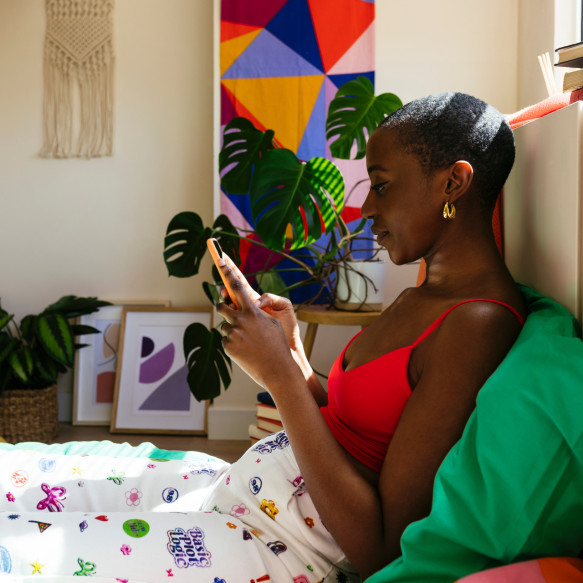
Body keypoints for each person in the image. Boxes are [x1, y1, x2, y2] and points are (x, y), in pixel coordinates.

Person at [0, 92, 526, 582]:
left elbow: (382, 549)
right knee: (25, 491)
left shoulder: (476, 323)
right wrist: (292, 355)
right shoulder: (422, 295)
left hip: (277, 542)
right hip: (240, 496)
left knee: (26, 556)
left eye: (382, 185)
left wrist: (281, 378)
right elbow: (358, 426)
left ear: (453, 183)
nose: (366, 209)